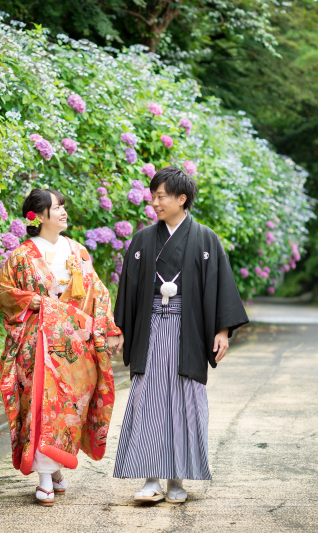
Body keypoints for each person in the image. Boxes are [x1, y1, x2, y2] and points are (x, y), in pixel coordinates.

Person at [112, 166, 249, 503]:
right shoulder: (144, 239)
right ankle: (150, 479)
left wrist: (222, 331)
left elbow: (221, 288)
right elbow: (128, 290)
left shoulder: (205, 238)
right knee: (148, 400)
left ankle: (177, 480)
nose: (155, 203)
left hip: (189, 332)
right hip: (151, 329)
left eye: (161, 197)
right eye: (153, 196)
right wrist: (120, 331)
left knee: (186, 402)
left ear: (181, 198)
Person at [0, 188, 123, 506]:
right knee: (40, 403)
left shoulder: (77, 251)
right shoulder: (22, 255)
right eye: (56, 207)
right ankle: (44, 476)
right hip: (36, 344)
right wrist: (32, 300)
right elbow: (3, 290)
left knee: (67, 408)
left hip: (72, 348)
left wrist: (108, 329)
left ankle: (53, 468)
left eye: (64, 206)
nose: (64, 212)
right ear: (37, 216)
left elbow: (99, 294)